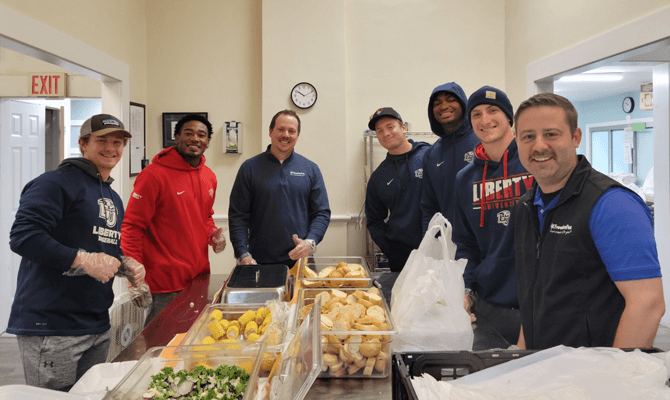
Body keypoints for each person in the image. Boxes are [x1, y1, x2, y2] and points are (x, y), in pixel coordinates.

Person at [513, 93, 665, 350]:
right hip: (545, 371)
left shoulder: (612, 205)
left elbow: (647, 304)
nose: (538, 146)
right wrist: (520, 356)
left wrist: (610, 381)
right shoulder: (526, 206)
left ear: (575, 138)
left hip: (593, 376)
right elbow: (534, 297)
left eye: (551, 134)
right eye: (528, 136)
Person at [7, 114, 145, 391]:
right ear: (83, 144)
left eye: (117, 142)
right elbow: (23, 237)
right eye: (102, 140)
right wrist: (83, 259)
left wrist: (124, 264)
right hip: (52, 326)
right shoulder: (55, 183)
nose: (111, 148)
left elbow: (101, 247)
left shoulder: (111, 194)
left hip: (96, 323)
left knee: (91, 395)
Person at [121, 114, 225, 326]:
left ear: (207, 142)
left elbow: (204, 217)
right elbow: (132, 227)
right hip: (165, 283)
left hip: (198, 277)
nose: (195, 138)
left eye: (201, 135)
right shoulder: (153, 175)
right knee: (161, 346)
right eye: (188, 133)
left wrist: (212, 235)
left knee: (190, 341)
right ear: (176, 137)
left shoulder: (209, 176)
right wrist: (134, 275)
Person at [452, 86, 533, 344]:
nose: (485, 120)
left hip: (538, 304)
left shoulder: (535, 163)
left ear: (509, 117)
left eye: (492, 110)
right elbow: (466, 245)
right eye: (476, 114)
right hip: (489, 306)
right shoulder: (465, 179)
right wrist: (465, 291)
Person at [229, 109, 330, 267]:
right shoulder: (249, 168)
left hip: (301, 262)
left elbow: (321, 213)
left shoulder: (310, 169)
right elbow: (238, 216)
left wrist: (310, 242)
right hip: (257, 262)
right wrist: (242, 253)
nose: (286, 135)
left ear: (297, 135)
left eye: (292, 131)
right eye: (281, 129)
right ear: (270, 131)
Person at [365, 107, 429, 273]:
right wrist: (391, 250)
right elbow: (374, 221)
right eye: (379, 131)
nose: (385, 133)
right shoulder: (378, 177)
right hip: (402, 258)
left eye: (390, 127)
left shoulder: (429, 156)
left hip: (438, 250)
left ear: (403, 127)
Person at [421, 82, 479, 232]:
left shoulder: (482, 141)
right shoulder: (431, 154)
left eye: (451, 100)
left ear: (463, 103)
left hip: (487, 241)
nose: (444, 106)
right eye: (437, 103)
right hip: (450, 244)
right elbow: (429, 207)